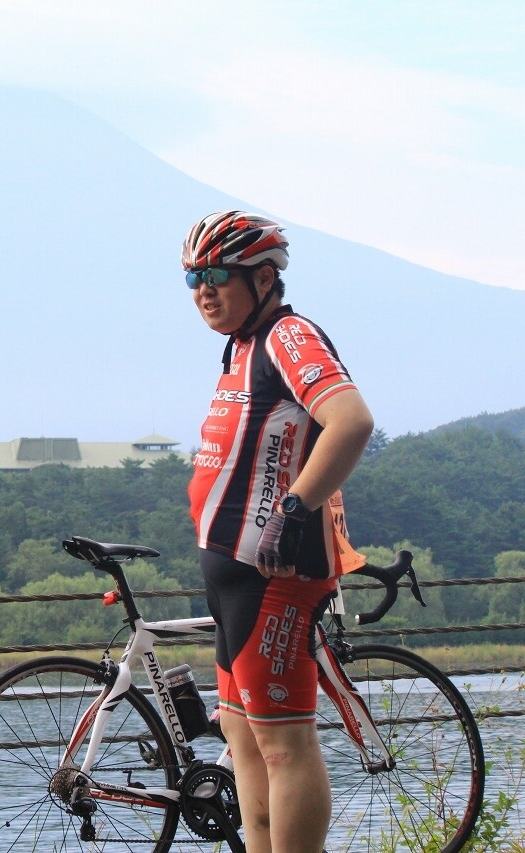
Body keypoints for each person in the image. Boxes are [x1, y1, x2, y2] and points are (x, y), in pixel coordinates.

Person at [181, 211, 374, 853]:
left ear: (264, 279)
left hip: (274, 578)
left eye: (217, 276)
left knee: (285, 745)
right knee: (244, 736)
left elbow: (349, 420)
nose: (204, 290)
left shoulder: (288, 335)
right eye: (192, 279)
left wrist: (294, 511)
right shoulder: (240, 344)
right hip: (230, 578)